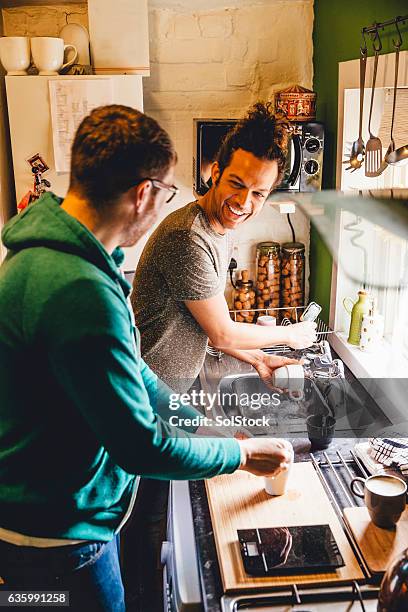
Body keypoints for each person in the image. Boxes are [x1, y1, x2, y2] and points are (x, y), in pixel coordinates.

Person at [0, 105, 293, 612]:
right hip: (60, 547)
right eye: (167, 193)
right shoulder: (80, 291)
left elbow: (138, 374)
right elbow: (141, 446)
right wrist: (240, 456)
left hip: (46, 526)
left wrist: (204, 430)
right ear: (143, 195)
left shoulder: (56, 257)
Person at [131, 102, 316, 392]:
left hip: (171, 384)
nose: (244, 202)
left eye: (258, 193)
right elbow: (222, 334)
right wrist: (291, 334)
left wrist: (259, 360)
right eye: (236, 184)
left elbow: (210, 325)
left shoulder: (221, 227)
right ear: (216, 173)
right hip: (149, 391)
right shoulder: (187, 237)